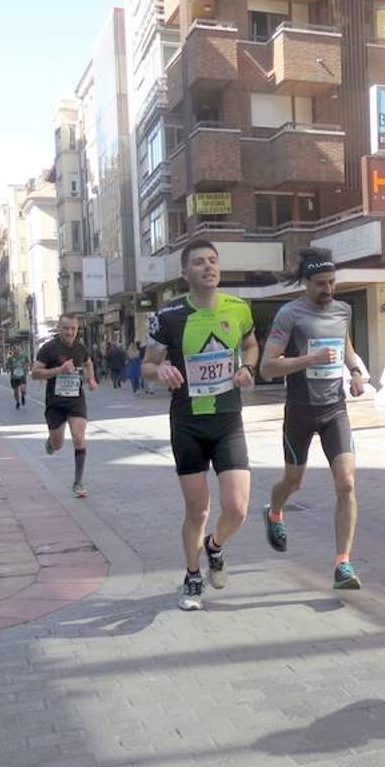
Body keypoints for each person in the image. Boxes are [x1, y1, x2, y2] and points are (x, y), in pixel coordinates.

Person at [143, 240, 259, 611]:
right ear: (184, 273)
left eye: (212, 261)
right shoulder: (169, 315)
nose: (208, 267)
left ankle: (214, 547)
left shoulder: (239, 308)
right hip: (188, 422)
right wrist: (160, 370)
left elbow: (251, 345)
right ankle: (193, 576)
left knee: (238, 508)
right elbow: (146, 364)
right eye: (198, 262)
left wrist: (247, 367)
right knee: (198, 510)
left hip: (228, 419)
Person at [260, 248, 367, 591]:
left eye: (333, 282)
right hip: (300, 410)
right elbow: (267, 366)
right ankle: (274, 511)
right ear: (306, 283)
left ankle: (343, 565)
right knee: (293, 482)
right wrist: (309, 359)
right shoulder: (289, 315)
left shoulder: (343, 310)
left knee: (347, 483)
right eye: (321, 283)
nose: (329, 289)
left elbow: (345, 345)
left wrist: (355, 371)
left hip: (335, 408)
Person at [32, 315, 98, 498]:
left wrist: (91, 379)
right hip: (55, 402)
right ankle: (51, 443)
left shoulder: (80, 347)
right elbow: (35, 374)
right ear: (59, 328)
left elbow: (88, 362)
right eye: (66, 328)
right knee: (58, 443)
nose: (70, 332)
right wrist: (59, 370)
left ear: (77, 329)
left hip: (76, 399)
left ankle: (78, 483)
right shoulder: (48, 349)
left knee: (78, 436)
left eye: (73, 329)